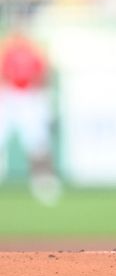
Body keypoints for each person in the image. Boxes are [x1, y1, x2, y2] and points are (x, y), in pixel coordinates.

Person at [0, 29, 62, 206]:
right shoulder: (6, 50)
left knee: (37, 143)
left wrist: (41, 96)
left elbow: (43, 75)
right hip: (9, 96)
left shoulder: (35, 51)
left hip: (30, 97)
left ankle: (44, 183)